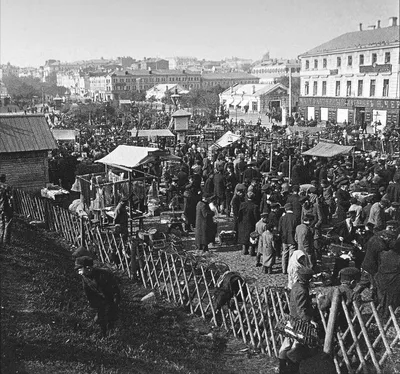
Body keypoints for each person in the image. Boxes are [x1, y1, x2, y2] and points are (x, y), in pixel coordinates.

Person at [278, 267, 317, 374]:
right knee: (296, 346)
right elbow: (301, 309)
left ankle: (282, 367)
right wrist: (310, 320)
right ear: (307, 279)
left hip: (292, 319)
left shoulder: (296, 285)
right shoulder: (302, 290)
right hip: (299, 323)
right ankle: (291, 369)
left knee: (286, 344)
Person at [75, 256, 121, 336]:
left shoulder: (103, 275)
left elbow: (114, 289)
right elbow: (87, 290)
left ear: (88, 268)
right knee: (99, 319)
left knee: (110, 317)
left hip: (111, 297)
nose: (79, 272)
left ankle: (110, 333)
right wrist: (93, 302)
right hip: (100, 299)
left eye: (80, 269)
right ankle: (103, 334)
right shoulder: (85, 276)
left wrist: (115, 302)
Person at [317, 267, 361, 332]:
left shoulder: (332, 291)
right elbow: (357, 313)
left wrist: (321, 298)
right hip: (347, 324)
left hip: (331, 323)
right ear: (353, 282)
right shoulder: (355, 295)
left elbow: (322, 307)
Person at [375, 238, 400, 318]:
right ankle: (389, 315)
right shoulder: (398, 257)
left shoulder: (383, 254)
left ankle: (383, 313)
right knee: (392, 300)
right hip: (394, 281)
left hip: (382, 280)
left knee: (383, 299)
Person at [237, 191, 260, 255]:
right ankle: (251, 251)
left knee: (244, 236)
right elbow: (256, 216)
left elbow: (239, 214)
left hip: (243, 223)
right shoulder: (255, 206)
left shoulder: (242, 204)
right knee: (252, 236)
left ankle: (244, 249)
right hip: (251, 223)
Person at [279, 203, 297, 274]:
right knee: (291, 255)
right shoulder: (295, 217)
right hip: (292, 239)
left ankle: (283, 269)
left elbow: (279, 228)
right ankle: (290, 269)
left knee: (284, 254)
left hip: (284, 239)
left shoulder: (282, 217)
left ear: (285, 209)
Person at [0, 174, 13, 246]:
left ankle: (0, 240)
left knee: (1, 223)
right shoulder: (6, 187)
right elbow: (10, 199)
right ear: (3, 179)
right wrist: (11, 208)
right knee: (7, 224)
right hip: (6, 207)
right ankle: (6, 242)